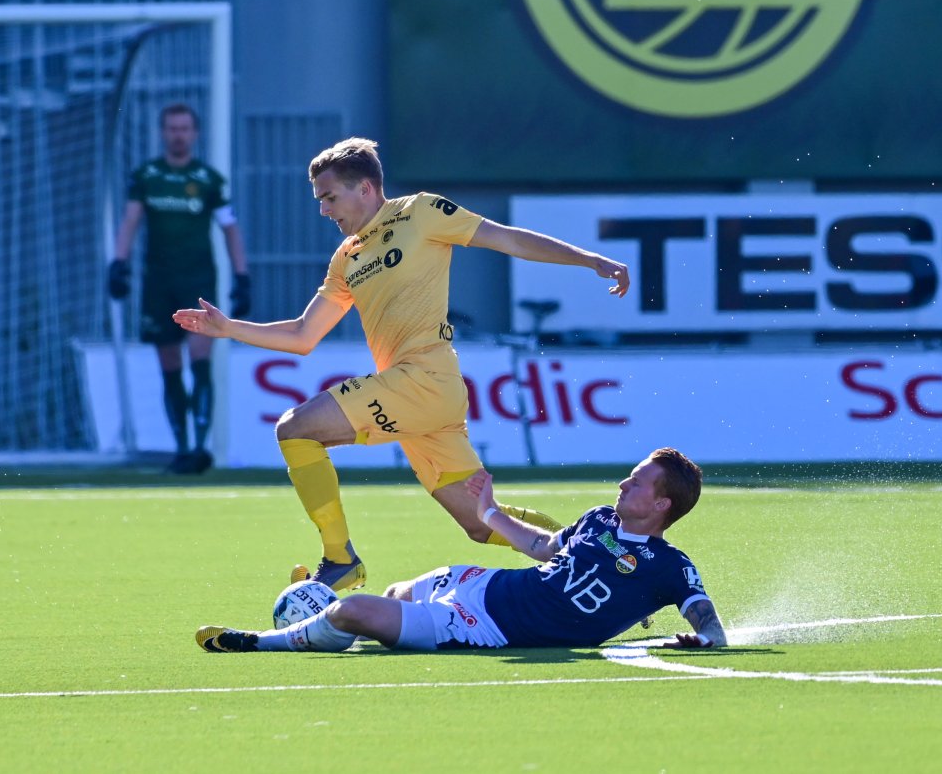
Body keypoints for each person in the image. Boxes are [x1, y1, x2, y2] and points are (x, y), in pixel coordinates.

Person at [174, 137, 629, 589]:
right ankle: (593, 558)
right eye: (320, 199)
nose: (324, 210)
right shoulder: (346, 257)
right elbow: (302, 335)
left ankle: (339, 560)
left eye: (330, 197)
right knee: (481, 521)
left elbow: (507, 239)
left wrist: (587, 259)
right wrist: (229, 328)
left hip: (425, 380)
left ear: (366, 189)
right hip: (418, 396)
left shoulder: (421, 212)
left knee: (295, 428)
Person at [195, 447, 727, 653]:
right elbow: (544, 547)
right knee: (394, 594)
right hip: (481, 583)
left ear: (661, 505)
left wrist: (702, 639)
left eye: (636, 483)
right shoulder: (599, 520)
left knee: (354, 609)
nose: (621, 485)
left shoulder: (670, 567)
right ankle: (333, 628)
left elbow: (710, 624)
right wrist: (491, 514)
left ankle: (260, 641)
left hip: (481, 628)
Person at [110, 103, 250, 474]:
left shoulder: (208, 180)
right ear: (163, 132)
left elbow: (230, 228)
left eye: (185, 128)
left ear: (195, 133)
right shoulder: (146, 176)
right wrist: (119, 263)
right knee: (169, 363)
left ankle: (200, 447)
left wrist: (242, 277)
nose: (178, 134)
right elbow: (130, 220)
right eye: (172, 128)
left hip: (198, 281)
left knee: (199, 358)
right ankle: (182, 447)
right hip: (157, 281)